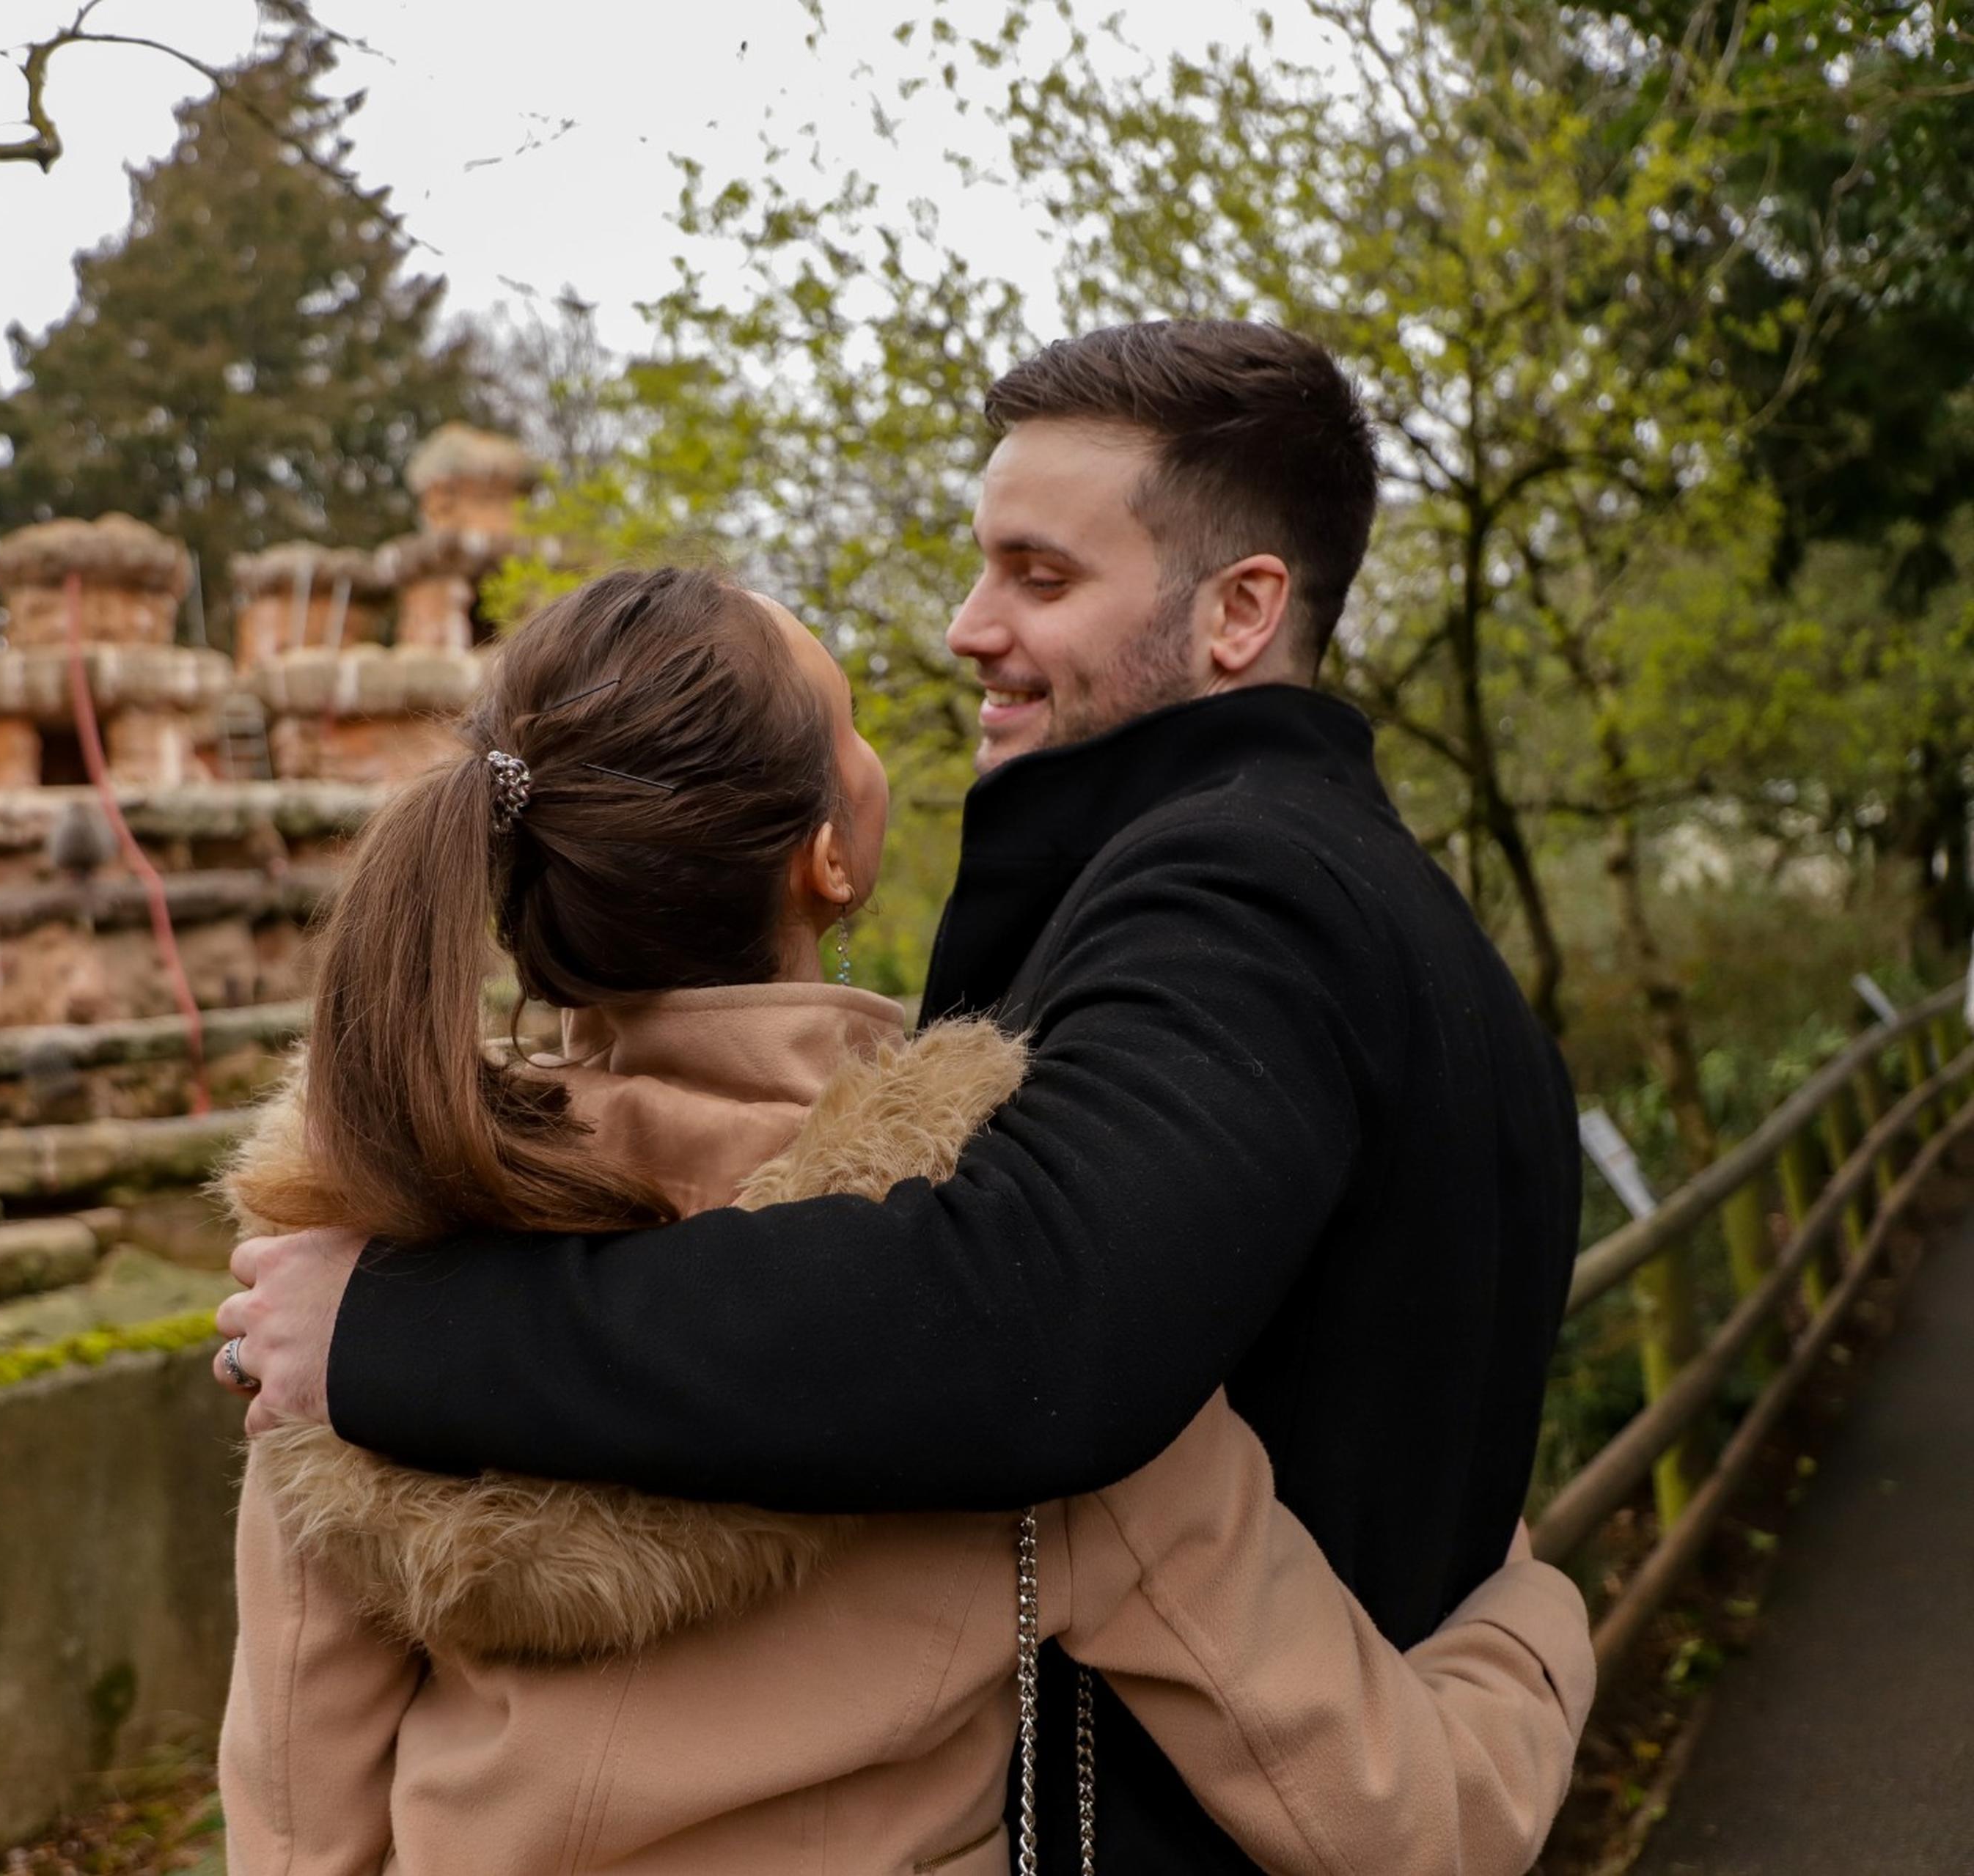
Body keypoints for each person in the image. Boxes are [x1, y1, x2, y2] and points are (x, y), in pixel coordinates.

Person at [216, 321, 1585, 1870]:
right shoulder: (986, 1245)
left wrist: (388, 1329)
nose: (965, 625)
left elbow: (292, 1805)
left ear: (1240, 612)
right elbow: (1400, 1810)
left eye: (1041, 575)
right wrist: (1534, 1624)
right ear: (829, 857)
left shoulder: (349, 1274)